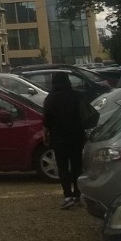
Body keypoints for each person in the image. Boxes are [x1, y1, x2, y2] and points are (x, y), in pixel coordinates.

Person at [41, 71, 88, 209]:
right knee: (77, 165)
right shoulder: (76, 95)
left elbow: (47, 119)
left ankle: (67, 195)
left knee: (62, 167)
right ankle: (77, 194)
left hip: (59, 136)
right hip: (76, 135)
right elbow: (84, 114)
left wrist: (45, 134)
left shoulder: (51, 98)